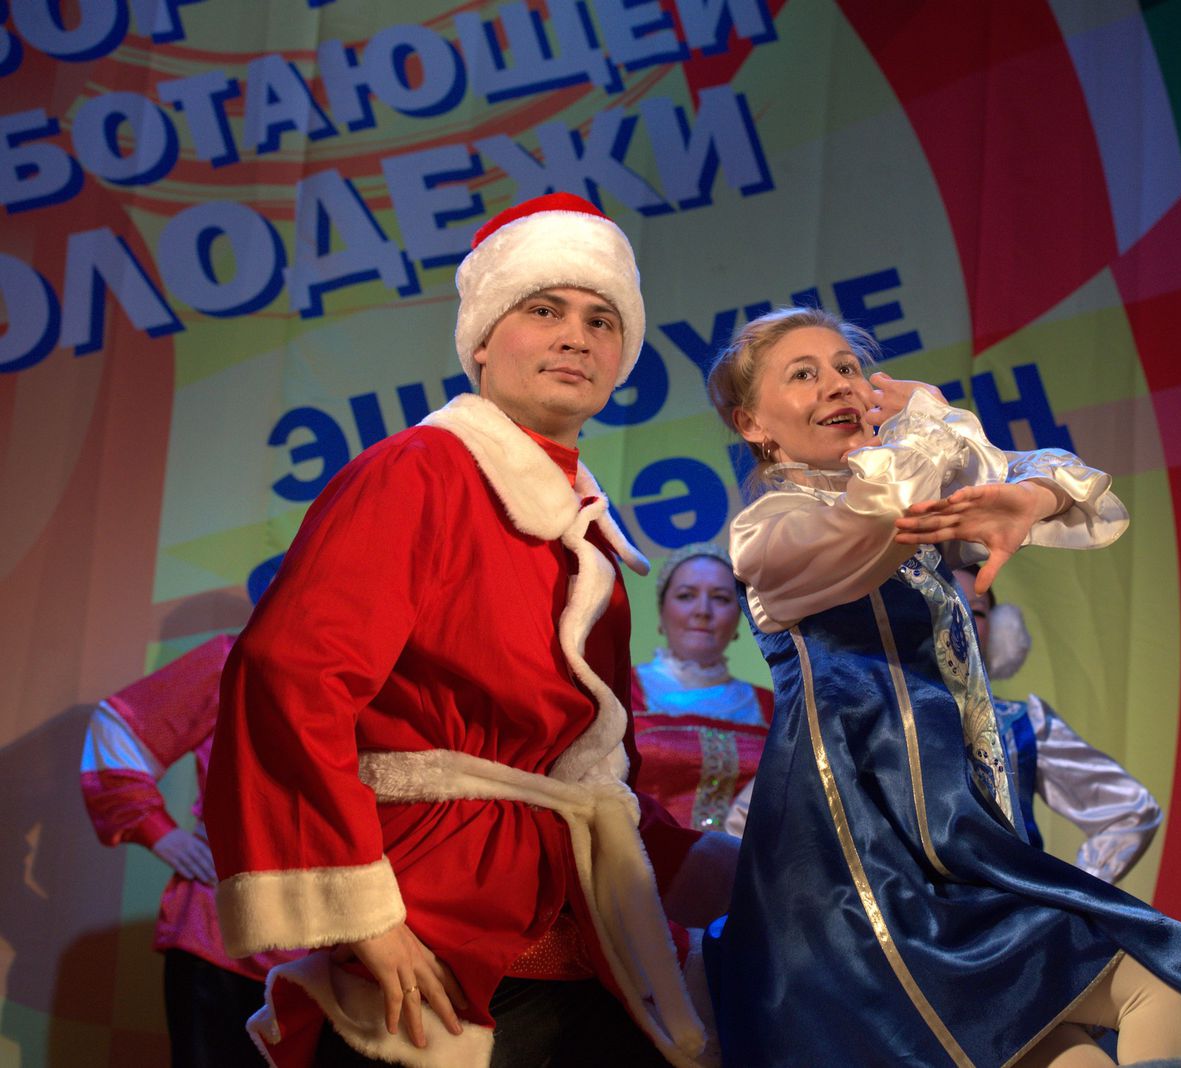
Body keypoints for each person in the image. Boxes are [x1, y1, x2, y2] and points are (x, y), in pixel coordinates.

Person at [205, 193, 722, 1068]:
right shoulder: (417, 472)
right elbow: (290, 680)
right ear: (482, 339)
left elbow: (591, 778)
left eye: (601, 321)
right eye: (544, 310)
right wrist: (364, 918)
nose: (576, 337)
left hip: (573, 931)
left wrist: (754, 872)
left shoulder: (586, 534)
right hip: (435, 919)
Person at [700, 306, 1181, 1068]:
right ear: (753, 423)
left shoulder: (908, 490)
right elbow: (878, 519)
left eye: (848, 367)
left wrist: (1027, 498)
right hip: (860, 873)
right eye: (804, 374)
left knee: (1154, 1001)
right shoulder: (771, 532)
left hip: (959, 849)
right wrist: (930, 419)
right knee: (1162, 983)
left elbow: (1061, 477)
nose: (839, 385)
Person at [80, 625, 300, 1067]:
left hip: (336, 946)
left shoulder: (381, 674)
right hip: (222, 936)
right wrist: (157, 830)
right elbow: (118, 728)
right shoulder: (235, 658)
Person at [952, 567, 1162, 883]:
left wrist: (1071, 892)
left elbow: (1132, 810)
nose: (961, 621)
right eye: (946, 606)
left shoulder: (1023, 725)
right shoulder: (884, 717)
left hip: (1006, 911)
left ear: (1000, 632)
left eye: (977, 611)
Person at [631, 542, 774, 833]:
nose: (703, 611)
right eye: (686, 596)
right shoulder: (620, 693)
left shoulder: (775, 708)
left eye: (721, 598)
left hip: (747, 863)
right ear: (662, 611)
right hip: (638, 859)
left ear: (739, 616)